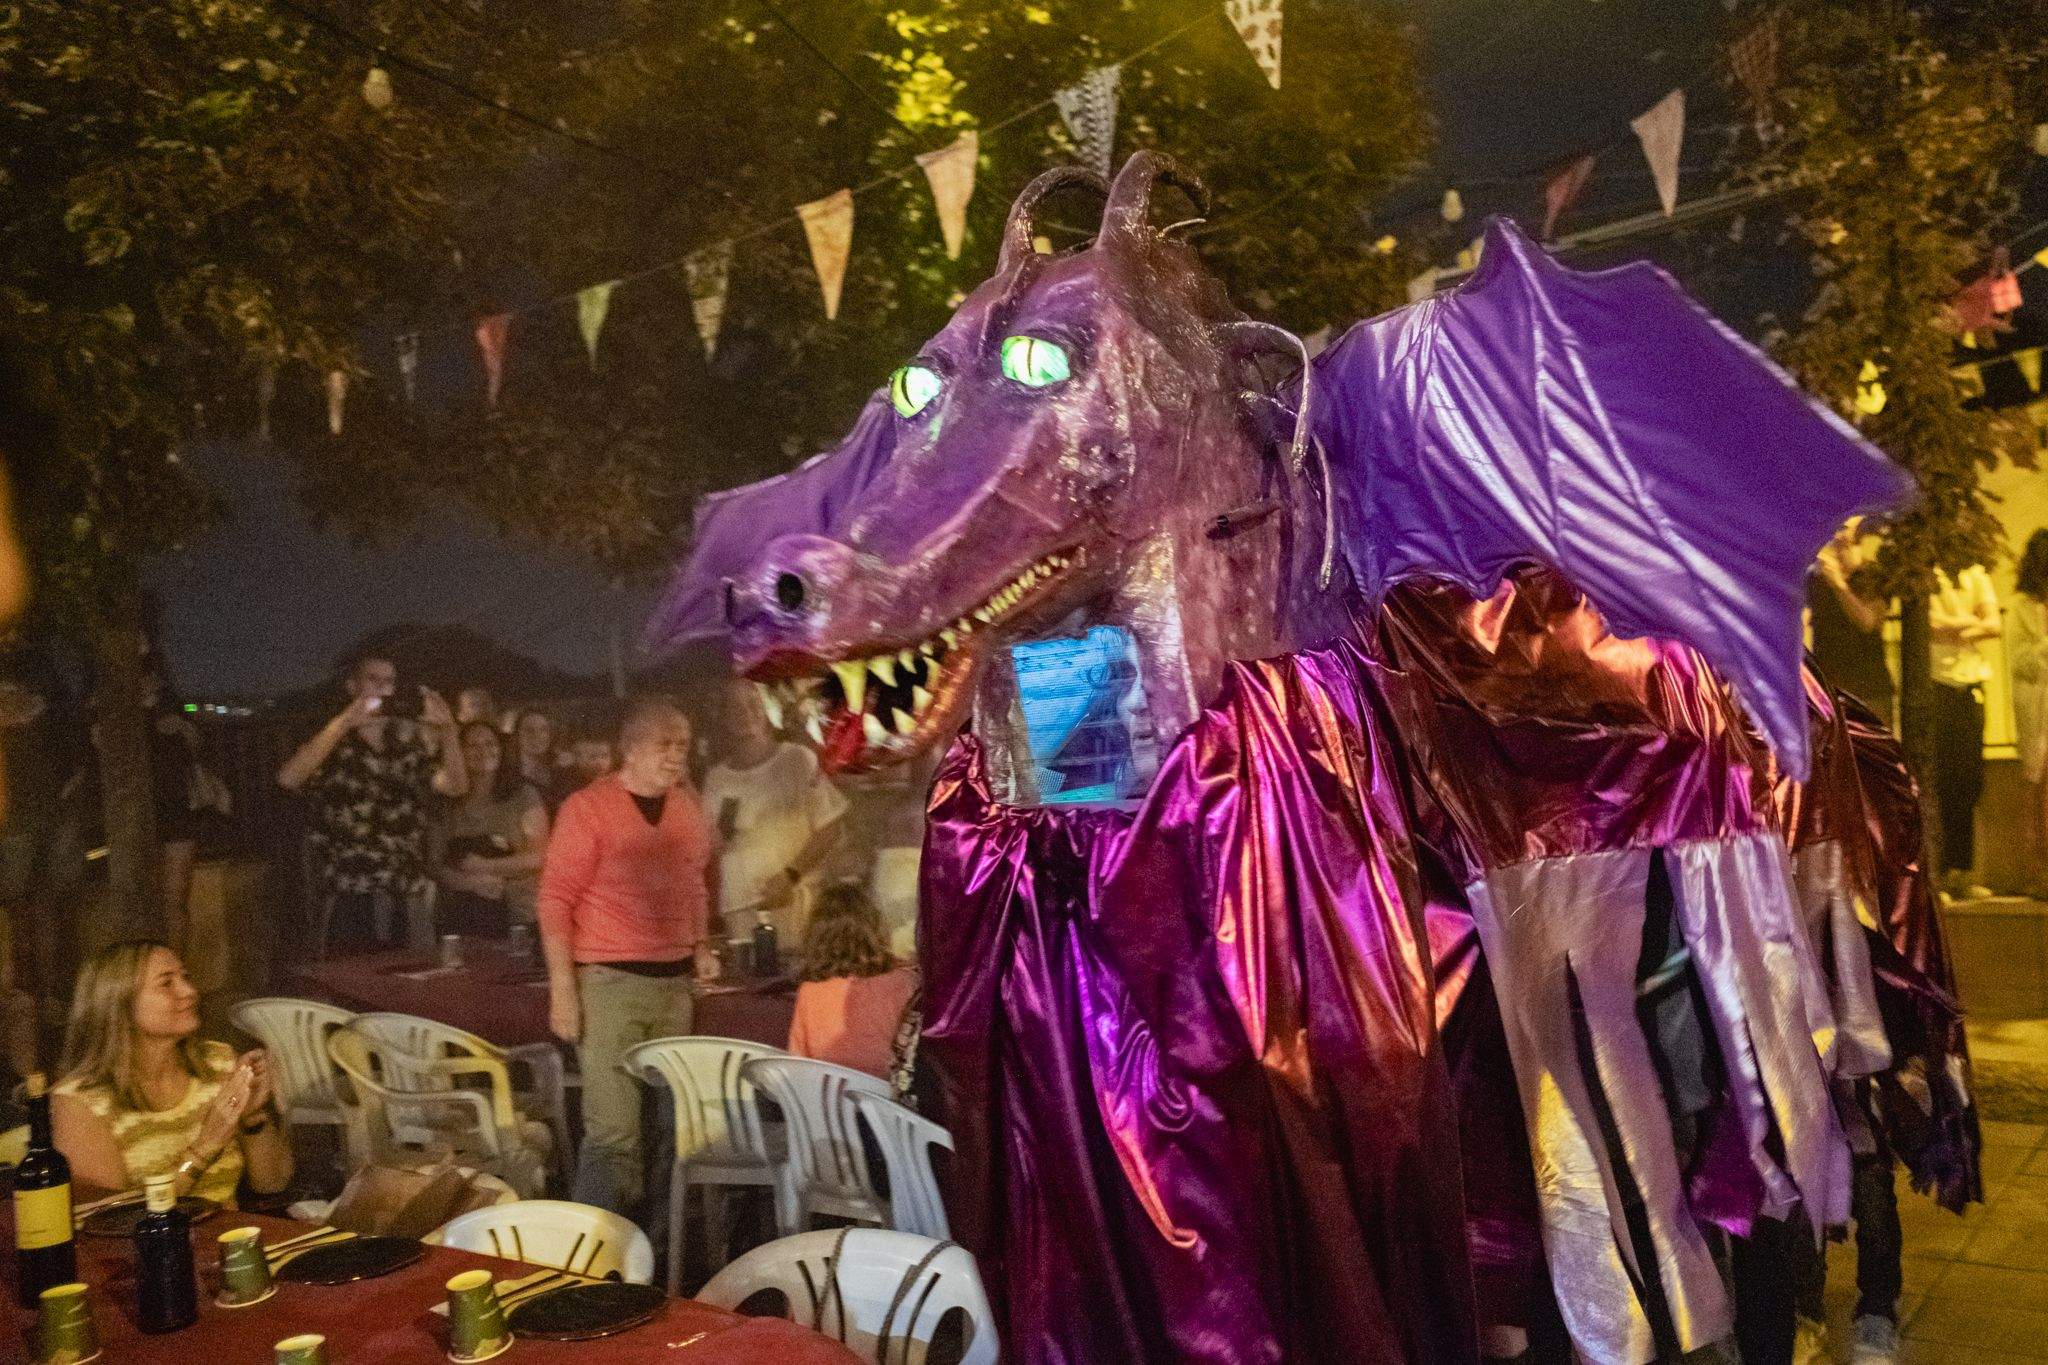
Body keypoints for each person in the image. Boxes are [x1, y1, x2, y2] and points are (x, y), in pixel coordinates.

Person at [538, 698, 718, 1214]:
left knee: (669, 1128)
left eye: (682, 745)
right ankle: (595, 1244)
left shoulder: (686, 808)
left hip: (674, 986)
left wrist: (701, 945)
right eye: (664, 744)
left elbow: (694, 884)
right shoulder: (587, 809)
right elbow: (555, 900)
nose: (675, 755)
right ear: (631, 749)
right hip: (610, 983)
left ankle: (657, 1243)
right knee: (614, 1133)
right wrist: (563, 992)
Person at [49, 941, 291, 1205]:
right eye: (166, 983)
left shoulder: (218, 1063)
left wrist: (252, 1117)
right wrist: (204, 1148)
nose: (189, 991)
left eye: (185, 978)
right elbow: (113, 1219)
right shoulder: (79, 1102)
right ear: (120, 1004)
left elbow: (273, 1183)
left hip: (229, 1230)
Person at [278, 655, 467, 951]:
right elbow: (288, 778)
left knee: (412, 975)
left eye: (388, 681)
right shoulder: (331, 740)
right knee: (351, 974)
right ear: (352, 685)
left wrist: (448, 732)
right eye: (372, 679)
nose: (381, 687)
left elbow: (455, 786)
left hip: (405, 886)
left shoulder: (407, 740)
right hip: (351, 889)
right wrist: (343, 724)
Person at [701, 678, 848, 945]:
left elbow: (830, 827)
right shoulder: (716, 779)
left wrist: (791, 875)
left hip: (793, 903)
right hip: (740, 909)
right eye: (735, 707)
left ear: (767, 709)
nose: (745, 714)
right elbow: (714, 844)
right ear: (724, 717)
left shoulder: (797, 760)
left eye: (753, 704)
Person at [788, 883, 918, 1079]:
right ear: (874, 928)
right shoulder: (905, 983)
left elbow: (796, 1066)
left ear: (815, 937)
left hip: (825, 1097)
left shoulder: (808, 991)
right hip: (885, 1096)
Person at [430, 722, 549, 937]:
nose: (483, 750)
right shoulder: (445, 802)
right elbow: (434, 863)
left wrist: (485, 866)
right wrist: (469, 883)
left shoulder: (524, 795)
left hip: (519, 913)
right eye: (473, 745)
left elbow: (539, 856)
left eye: (490, 743)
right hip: (460, 915)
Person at [1930, 564, 2000, 896]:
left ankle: (1963, 872)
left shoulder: (1975, 574)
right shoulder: (1927, 573)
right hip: (1938, 685)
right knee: (1942, 780)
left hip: (1971, 684)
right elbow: (1930, 625)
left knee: (1969, 780)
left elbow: (1994, 624)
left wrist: (1954, 628)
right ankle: (1942, 872)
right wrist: (1972, 621)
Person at [1809, 518, 1894, 728]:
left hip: (1869, 689)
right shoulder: (1816, 576)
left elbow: (1869, 622)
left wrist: (1839, 584)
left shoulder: (1873, 573)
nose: (1837, 535)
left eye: (1843, 528)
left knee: (1874, 746)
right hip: (1830, 688)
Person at [2008, 530, 2048, 885]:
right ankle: (2036, 871)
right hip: (2037, 705)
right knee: (2035, 789)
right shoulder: (2022, 607)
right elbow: (2020, 662)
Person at [508, 709, 570, 813]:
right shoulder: (510, 775)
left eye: (543, 730)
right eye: (529, 730)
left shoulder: (562, 770)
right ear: (517, 736)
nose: (537, 735)